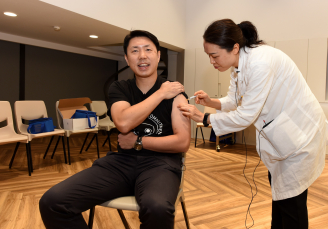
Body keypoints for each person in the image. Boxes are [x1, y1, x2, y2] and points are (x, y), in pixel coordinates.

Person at [178, 19, 326, 229]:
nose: (211, 61)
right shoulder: (238, 65)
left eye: (214, 55)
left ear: (234, 47)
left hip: (300, 137)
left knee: (292, 203)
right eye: (208, 56)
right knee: (280, 196)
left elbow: (246, 115)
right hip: (283, 135)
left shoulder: (260, 62)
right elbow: (234, 99)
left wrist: (204, 118)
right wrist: (211, 102)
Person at [39, 30, 191, 229]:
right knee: (53, 202)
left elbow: (182, 142)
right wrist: (160, 94)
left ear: (158, 55)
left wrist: (138, 141)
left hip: (161, 165)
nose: (142, 56)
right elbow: (124, 123)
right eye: (135, 51)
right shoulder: (120, 88)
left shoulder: (177, 93)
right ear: (127, 59)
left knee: (157, 208)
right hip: (122, 162)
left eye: (148, 50)